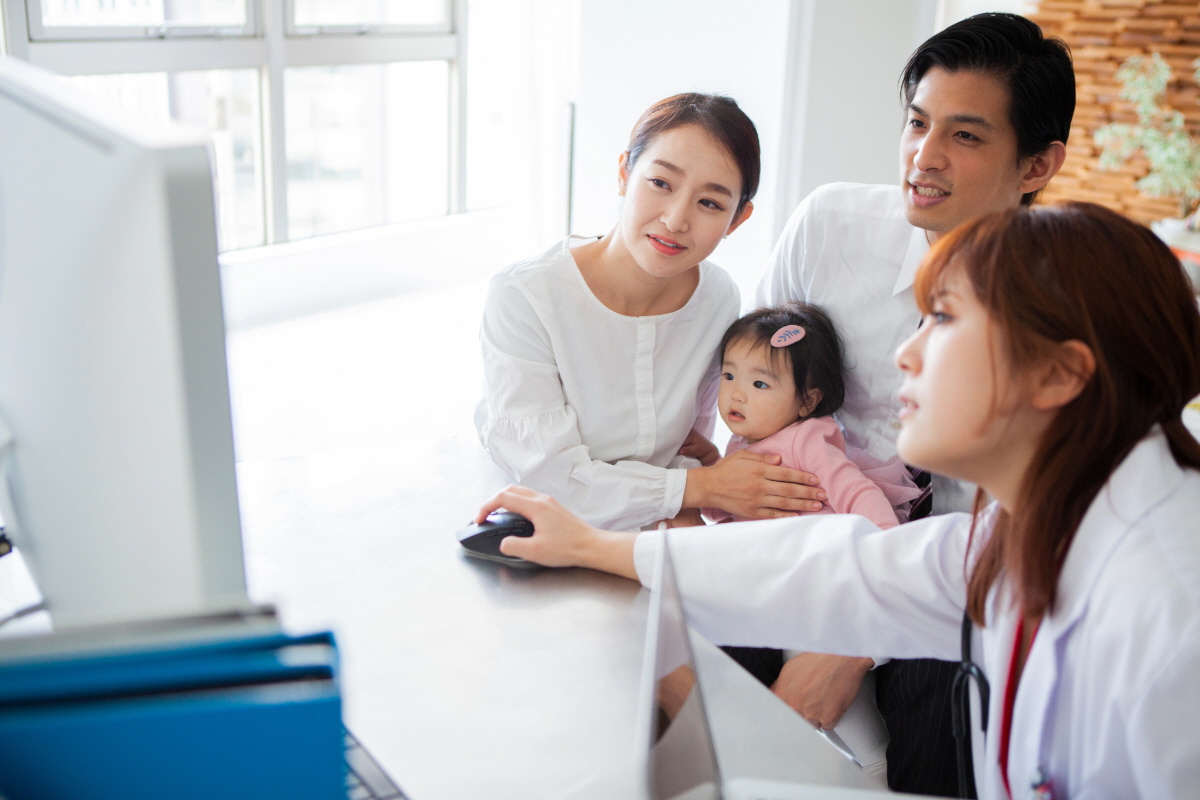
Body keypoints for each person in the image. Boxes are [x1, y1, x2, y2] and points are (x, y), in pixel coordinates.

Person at [476, 202, 1200, 799]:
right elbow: (840, 566)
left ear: (1058, 375)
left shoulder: (1171, 620)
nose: (904, 355)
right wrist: (593, 546)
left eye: (943, 320)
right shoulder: (1018, 533)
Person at [747, 14, 1075, 793]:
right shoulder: (830, 224)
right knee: (681, 672)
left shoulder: (1058, 314)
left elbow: (1005, 532)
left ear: (1037, 163)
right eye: (917, 124)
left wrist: (858, 639)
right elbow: (749, 381)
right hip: (802, 518)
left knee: (949, 726)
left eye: (965, 137)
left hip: (948, 565)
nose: (923, 160)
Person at [475, 93, 825, 534]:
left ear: (737, 219)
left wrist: (698, 499)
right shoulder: (525, 296)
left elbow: (687, 447)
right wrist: (700, 488)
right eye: (660, 183)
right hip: (536, 530)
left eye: (711, 203)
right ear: (624, 173)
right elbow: (551, 481)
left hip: (651, 530)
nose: (676, 220)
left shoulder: (718, 298)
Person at [699, 303, 920, 528]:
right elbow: (720, 509)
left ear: (807, 401)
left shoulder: (805, 440)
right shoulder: (740, 442)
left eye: (759, 383)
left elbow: (856, 491)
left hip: (818, 550)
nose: (736, 394)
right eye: (728, 375)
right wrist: (709, 462)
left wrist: (888, 544)